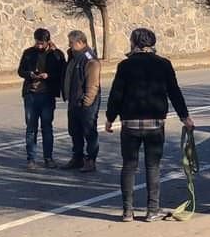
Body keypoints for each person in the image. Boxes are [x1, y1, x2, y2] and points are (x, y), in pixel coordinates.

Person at [105, 28, 193, 222]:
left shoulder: (125, 65)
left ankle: (127, 211)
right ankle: (152, 210)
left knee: (129, 166)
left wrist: (110, 118)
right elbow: (174, 92)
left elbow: (116, 95)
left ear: (134, 43)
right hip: (154, 124)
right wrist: (184, 117)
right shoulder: (163, 64)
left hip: (130, 124)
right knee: (153, 166)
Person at [17, 28, 67, 170]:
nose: (39, 46)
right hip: (31, 95)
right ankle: (31, 159)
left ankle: (48, 158)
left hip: (47, 95)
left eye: (42, 43)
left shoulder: (56, 54)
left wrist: (48, 75)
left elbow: (62, 72)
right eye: (37, 43)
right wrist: (30, 74)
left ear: (47, 41)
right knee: (31, 128)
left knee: (47, 127)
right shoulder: (28, 53)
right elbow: (20, 71)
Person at [61, 29, 102, 172]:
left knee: (89, 131)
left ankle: (91, 160)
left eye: (71, 43)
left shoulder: (89, 58)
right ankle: (77, 157)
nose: (69, 45)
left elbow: (93, 83)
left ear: (80, 42)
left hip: (86, 103)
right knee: (74, 130)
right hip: (74, 101)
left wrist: (87, 101)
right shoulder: (74, 56)